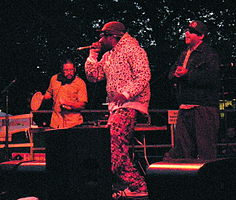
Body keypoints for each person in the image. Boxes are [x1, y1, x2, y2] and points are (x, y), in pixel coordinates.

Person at [84, 21, 151, 197]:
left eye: (103, 35)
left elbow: (144, 75)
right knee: (116, 148)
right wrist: (93, 55)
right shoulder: (108, 56)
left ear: (113, 37)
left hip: (130, 104)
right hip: (117, 106)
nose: (99, 39)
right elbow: (94, 76)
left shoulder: (133, 49)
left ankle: (100, 183)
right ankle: (138, 186)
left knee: (113, 147)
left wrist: (127, 94)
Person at [164, 20, 220, 160]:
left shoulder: (209, 54)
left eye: (191, 31)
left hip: (203, 108)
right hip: (184, 107)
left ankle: (208, 180)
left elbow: (212, 78)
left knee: (205, 150)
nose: (187, 33)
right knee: (183, 150)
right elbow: (170, 74)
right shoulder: (184, 54)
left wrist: (187, 74)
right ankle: (187, 181)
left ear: (201, 36)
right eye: (187, 30)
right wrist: (176, 74)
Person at [43, 58, 88, 129]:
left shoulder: (80, 83)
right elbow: (49, 92)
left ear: (75, 70)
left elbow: (82, 105)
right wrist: (42, 98)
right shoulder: (54, 79)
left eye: (71, 70)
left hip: (73, 124)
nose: (69, 72)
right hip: (56, 124)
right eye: (66, 70)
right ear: (62, 70)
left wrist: (69, 104)